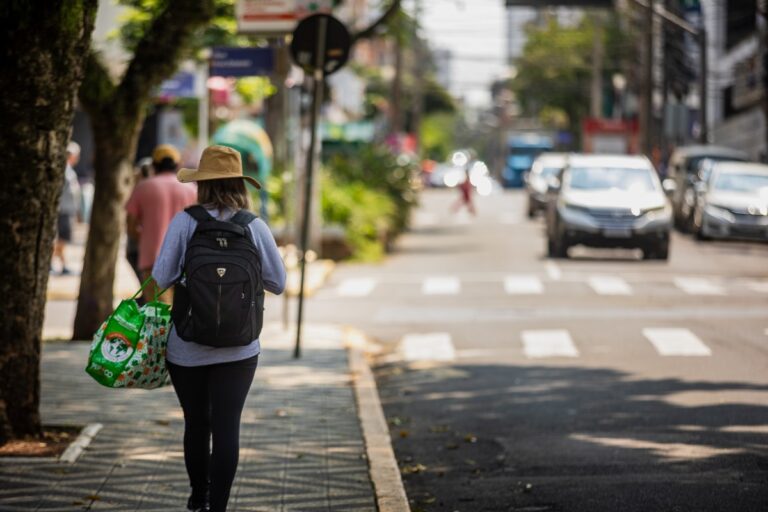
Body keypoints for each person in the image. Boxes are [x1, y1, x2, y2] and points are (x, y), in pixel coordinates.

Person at [152, 145, 286, 512]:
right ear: (240, 183)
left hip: (186, 346)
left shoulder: (185, 222)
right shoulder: (253, 226)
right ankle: (219, 507)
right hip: (239, 349)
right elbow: (278, 282)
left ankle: (199, 496)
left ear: (203, 184)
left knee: (197, 424)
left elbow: (160, 278)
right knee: (227, 428)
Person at [125, 144, 196, 302]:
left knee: (158, 313)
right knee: (181, 310)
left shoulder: (143, 187)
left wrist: (144, 240)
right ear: (177, 165)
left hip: (152, 260)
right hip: (184, 259)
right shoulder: (191, 189)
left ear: (154, 164)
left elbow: (130, 225)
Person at [53, 141, 82, 275]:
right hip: (63, 210)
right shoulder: (65, 171)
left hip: (67, 210)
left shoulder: (69, 171)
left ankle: (61, 264)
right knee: (62, 240)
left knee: (62, 240)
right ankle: (57, 263)